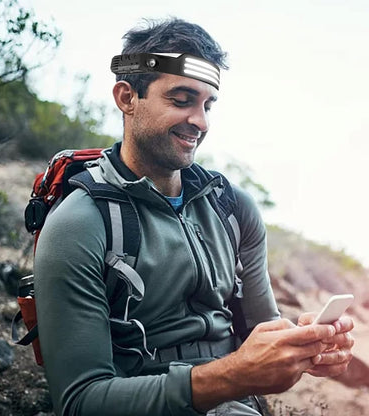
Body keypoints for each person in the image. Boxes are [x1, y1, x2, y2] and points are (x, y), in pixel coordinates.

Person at [34, 17, 354, 416]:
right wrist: (233, 376)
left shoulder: (233, 208)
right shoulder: (80, 223)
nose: (200, 122)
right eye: (181, 100)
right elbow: (81, 401)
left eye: (206, 105)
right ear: (127, 97)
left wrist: (306, 345)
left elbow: (260, 329)